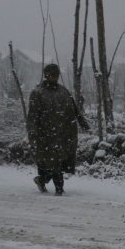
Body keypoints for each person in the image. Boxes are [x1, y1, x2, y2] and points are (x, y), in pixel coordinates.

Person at [26, 64, 90, 195]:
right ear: (47, 76)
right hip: (46, 135)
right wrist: (32, 134)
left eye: (57, 76)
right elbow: (32, 115)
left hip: (65, 133)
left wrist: (83, 123)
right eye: (53, 75)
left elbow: (75, 109)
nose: (55, 78)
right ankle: (59, 189)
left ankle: (42, 180)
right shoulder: (38, 93)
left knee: (60, 162)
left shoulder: (63, 91)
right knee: (53, 162)